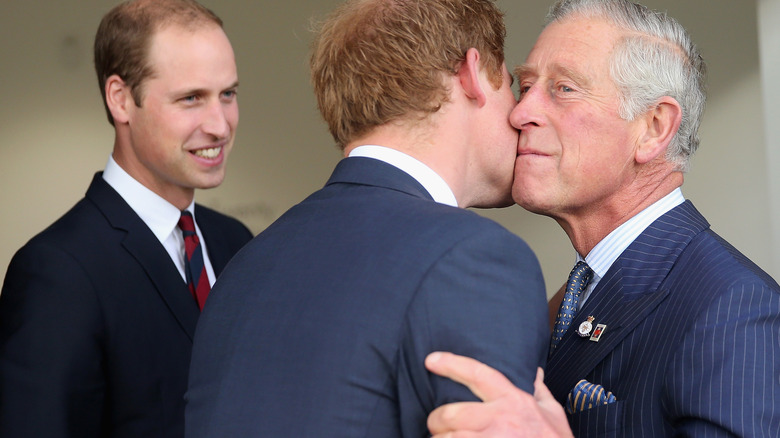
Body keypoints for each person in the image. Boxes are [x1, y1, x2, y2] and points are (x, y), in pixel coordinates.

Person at [184, 0, 548, 436]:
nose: (519, 114)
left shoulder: (245, 267)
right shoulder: (475, 258)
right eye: (509, 83)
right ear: (471, 75)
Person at [425, 0, 780, 436]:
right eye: (526, 85)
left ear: (653, 127)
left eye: (564, 88)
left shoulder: (736, 307)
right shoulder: (568, 296)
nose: (519, 113)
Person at [0, 1, 253, 437]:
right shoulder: (57, 272)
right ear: (120, 99)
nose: (219, 125)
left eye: (227, 94)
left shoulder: (235, 242)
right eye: (191, 98)